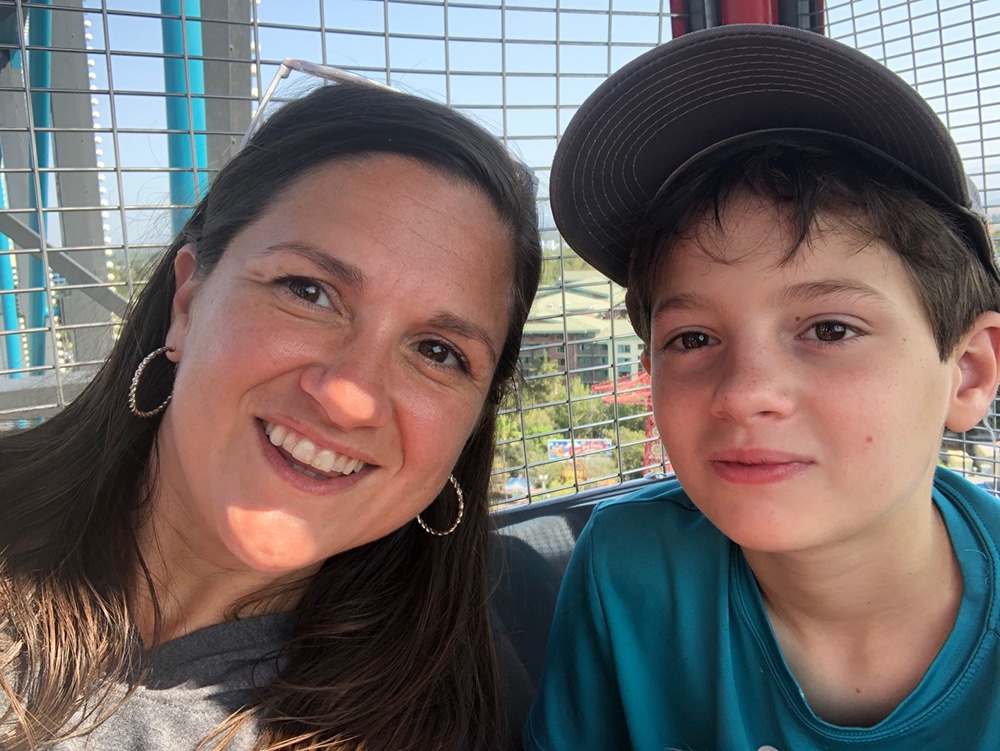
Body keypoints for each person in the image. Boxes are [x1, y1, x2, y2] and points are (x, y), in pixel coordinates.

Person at [0, 72, 541, 750]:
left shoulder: (461, 722)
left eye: (438, 350)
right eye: (309, 291)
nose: (350, 396)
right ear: (188, 302)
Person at [526, 24, 1000, 750]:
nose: (744, 392)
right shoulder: (628, 565)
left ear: (967, 371)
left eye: (830, 329)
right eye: (693, 339)